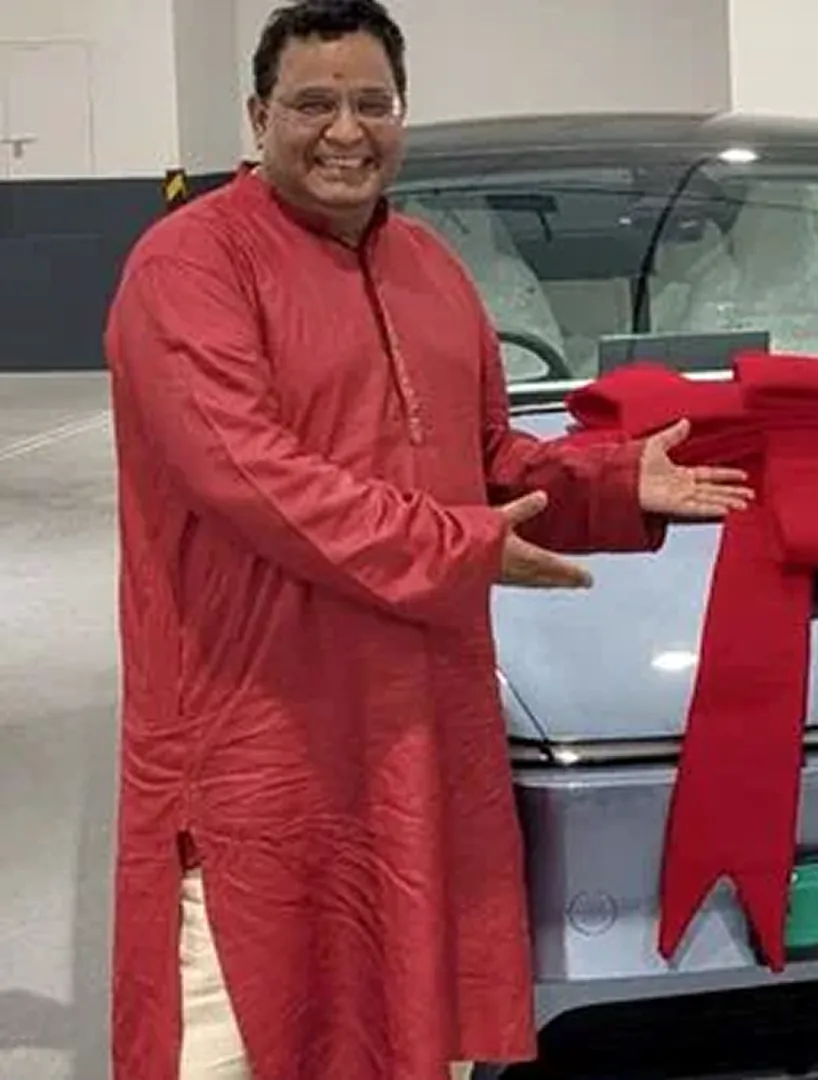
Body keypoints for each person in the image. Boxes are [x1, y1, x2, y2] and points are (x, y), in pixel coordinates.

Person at [101, 2, 754, 1078]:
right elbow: (251, 474)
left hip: (412, 735)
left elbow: (488, 458)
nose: (346, 131)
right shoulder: (186, 270)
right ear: (259, 115)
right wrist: (459, 550)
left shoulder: (431, 271)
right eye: (314, 104)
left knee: (402, 1019)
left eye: (373, 103)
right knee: (239, 1031)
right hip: (253, 742)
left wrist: (608, 481)